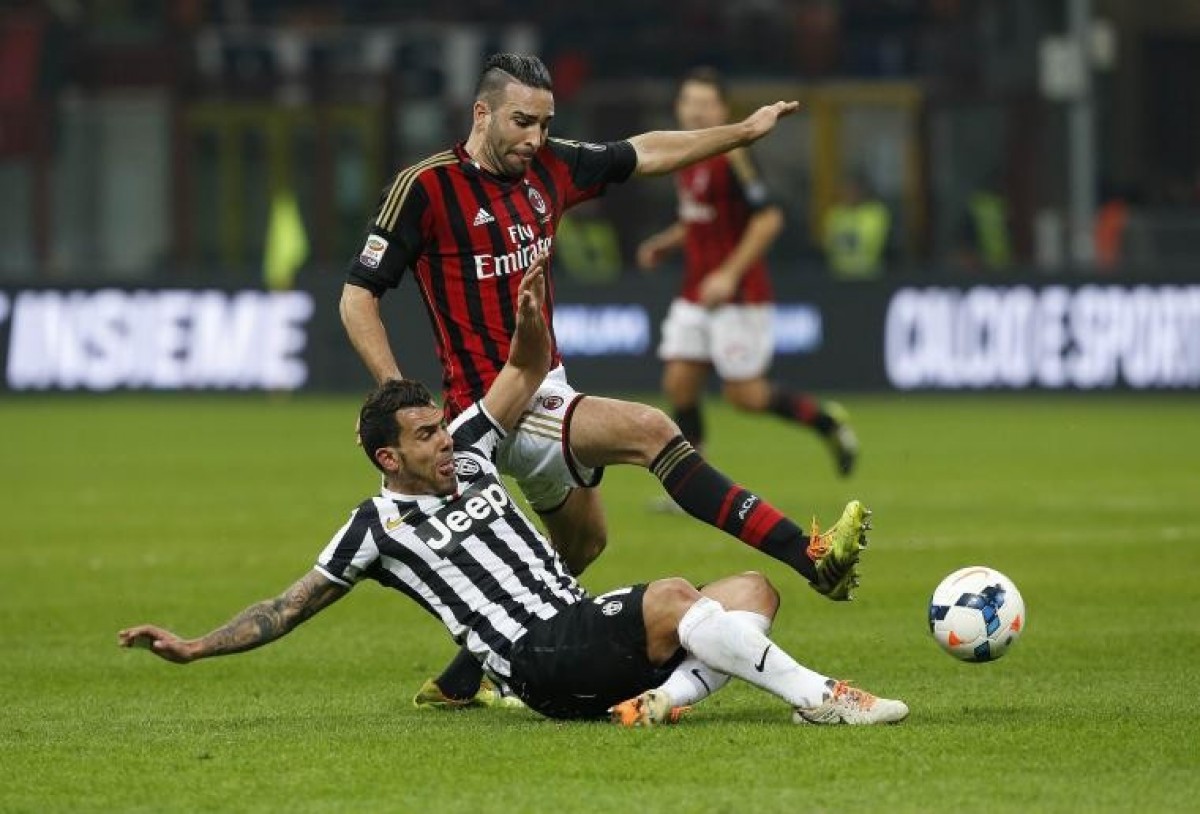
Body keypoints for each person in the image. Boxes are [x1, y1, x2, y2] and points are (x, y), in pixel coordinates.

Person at [119, 258, 908, 727]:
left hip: (578, 629)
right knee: (675, 596)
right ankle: (822, 697)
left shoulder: (469, 448)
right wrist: (195, 646)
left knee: (752, 589)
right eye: (425, 436)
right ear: (389, 458)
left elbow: (524, 373)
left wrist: (529, 320)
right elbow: (285, 608)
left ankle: (665, 699)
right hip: (535, 660)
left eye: (440, 426)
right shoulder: (375, 528)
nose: (444, 441)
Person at [339, 53, 865, 710]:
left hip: (548, 385)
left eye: (545, 123)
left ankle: (461, 677)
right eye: (522, 122)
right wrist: (397, 402)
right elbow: (358, 296)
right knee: (651, 430)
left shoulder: (550, 165)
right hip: (491, 405)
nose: (536, 137)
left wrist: (740, 132)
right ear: (482, 113)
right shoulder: (426, 187)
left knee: (584, 542)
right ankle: (809, 555)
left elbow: (645, 151)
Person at [636, 67, 859, 482]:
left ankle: (825, 422)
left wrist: (728, 274)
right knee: (679, 383)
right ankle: (693, 484)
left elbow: (768, 219)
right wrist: (666, 243)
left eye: (706, 104)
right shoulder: (685, 155)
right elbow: (701, 218)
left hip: (738, 294)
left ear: (723, 109)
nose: (696, 112)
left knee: (745, 395)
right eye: (689, 102)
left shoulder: (734, 156)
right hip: (695, 291)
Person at [822, 173, 891, 279]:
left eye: (853, 189)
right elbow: (828, 243)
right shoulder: (835, 213)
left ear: (862, 191)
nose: (849, 193)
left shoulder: (875, 212)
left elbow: (869, 242)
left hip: (869, 275)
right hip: (838, 275)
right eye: (845, 189)